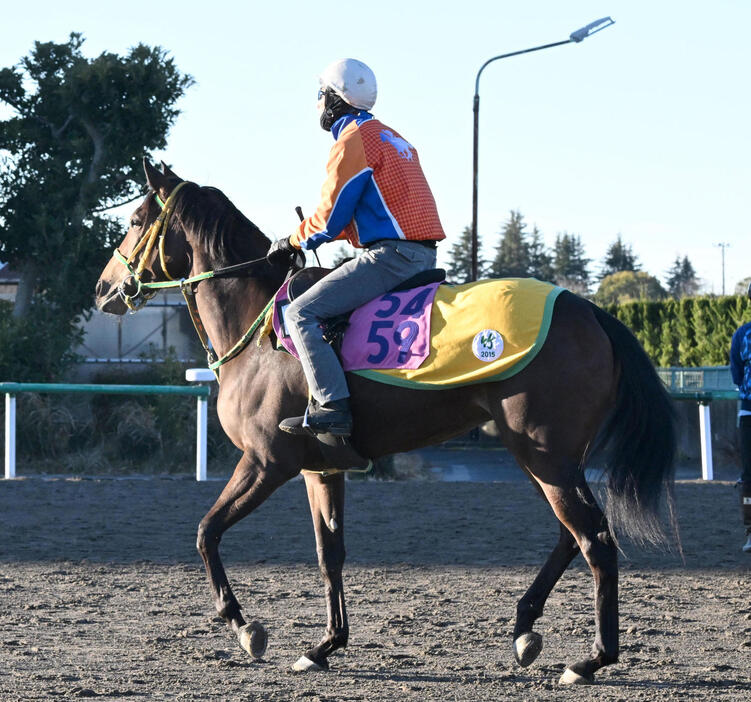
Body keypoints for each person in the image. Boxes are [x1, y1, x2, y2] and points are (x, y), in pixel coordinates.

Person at [266, 58, 445, 438]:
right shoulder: (393, 137)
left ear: (333, 100)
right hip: (419, 253)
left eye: (320, 94)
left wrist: (292, 240)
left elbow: (329, 219)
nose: (317, 102)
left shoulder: (352, 141)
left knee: (300, 314)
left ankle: (332, 405)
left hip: (393, 258)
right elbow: (368, 213)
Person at [730, 281, 751, 553]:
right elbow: (736, 371)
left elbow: (737, 374)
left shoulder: (743, 334)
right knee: (748, 476)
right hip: (749, 411)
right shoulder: (742, 334)